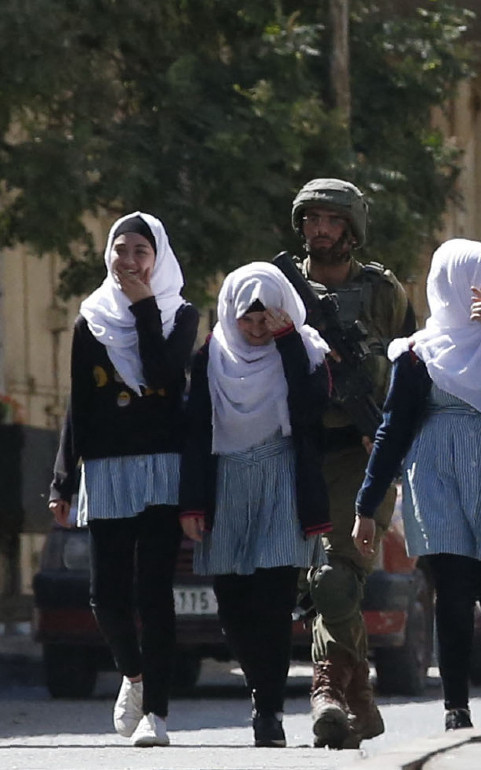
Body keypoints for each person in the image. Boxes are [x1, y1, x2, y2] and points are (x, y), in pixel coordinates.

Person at [356, 239, 481, 731]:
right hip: (438, 478)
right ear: (452, 288)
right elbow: (392, 429)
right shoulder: (419, 354)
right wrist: (367, 503)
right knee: (455, 591)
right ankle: (456, 707)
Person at [48, 213, 197, 747]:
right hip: (106, 468)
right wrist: (63, 482)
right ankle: (133, 677)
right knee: (105, 595)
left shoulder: (180, 314)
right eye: (120, 249)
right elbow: (79, 404)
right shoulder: (90, 319)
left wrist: (142, 308)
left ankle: (156, 711)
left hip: (162, 465)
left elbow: (162, 374)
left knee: (153, 591)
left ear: (157, 259)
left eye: (141, 251)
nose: (129, 261)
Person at [179, 263, 332, 748]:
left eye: (269, 317)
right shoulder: (211, 356)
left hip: (282, 478)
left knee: (271, 599)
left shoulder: (306, 349)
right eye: (249, 318)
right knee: (233, 602)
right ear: (230, 313)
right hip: (227, 482)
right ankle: (256, 687)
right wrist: (192, 503)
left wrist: (288, 341)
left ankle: (268, 709)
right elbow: (196, 428)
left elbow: (311, 410)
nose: (259, 328)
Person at [289, 178, 414, 748]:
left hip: (361, 456)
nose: (320, 229)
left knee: (336, 579)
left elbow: (414, 370)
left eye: (331, 220)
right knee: (302, 583)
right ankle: (359, 694)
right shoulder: (282, 285)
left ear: (352, 229)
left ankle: (328, 693)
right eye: (312, 219)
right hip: (293, 451)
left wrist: (389, 435)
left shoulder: (384, 294)